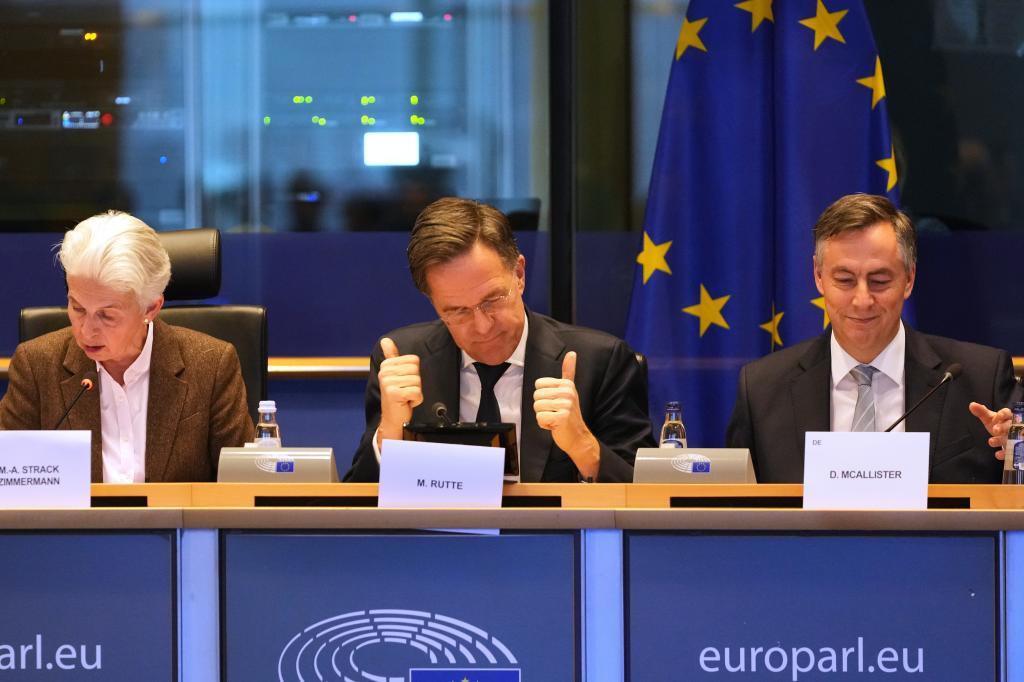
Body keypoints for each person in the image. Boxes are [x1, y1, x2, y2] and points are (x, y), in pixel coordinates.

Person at [345, 197, 654, 482]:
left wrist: (583, 446)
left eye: (492, 300)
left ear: (519, 274)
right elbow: (354, 511)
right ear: (433, 303)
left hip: (551, 541)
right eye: (457, 311)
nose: (482, 326)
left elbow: (649, 504)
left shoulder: (600, 361)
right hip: (438, 542)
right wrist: (390, 434)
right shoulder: (403, 359)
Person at [727, 193, 1018, 483]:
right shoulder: (762, 390)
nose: (862, 300)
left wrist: (1018, 456)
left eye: (879, 280)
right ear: (818, 276)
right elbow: (735, 516)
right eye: (845, 280)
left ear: (909, 279)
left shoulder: (980, 381)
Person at [0, 211, 254, 482]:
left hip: (176, 523)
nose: (86, 330)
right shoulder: (37, 365)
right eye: (77, 308)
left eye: (107, 315)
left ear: (151, 308)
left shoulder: (211, 365)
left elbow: (245, 484)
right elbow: (7, 479)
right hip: (75, 525)